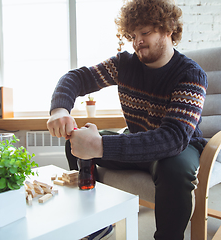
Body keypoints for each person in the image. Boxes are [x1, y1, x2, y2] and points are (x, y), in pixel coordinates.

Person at [47, 0, 208, 239]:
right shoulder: (124, 64)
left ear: (168, 29)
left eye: (145, 32)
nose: (137, 41)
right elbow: (77, 78)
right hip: (136, 142)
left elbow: (173, 138)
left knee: (173, 169)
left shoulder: (191, 74)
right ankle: (96, 222)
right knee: (76, 144)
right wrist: (60, 109)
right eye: (132, 35)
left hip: (178, 149)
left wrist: (101, 145)